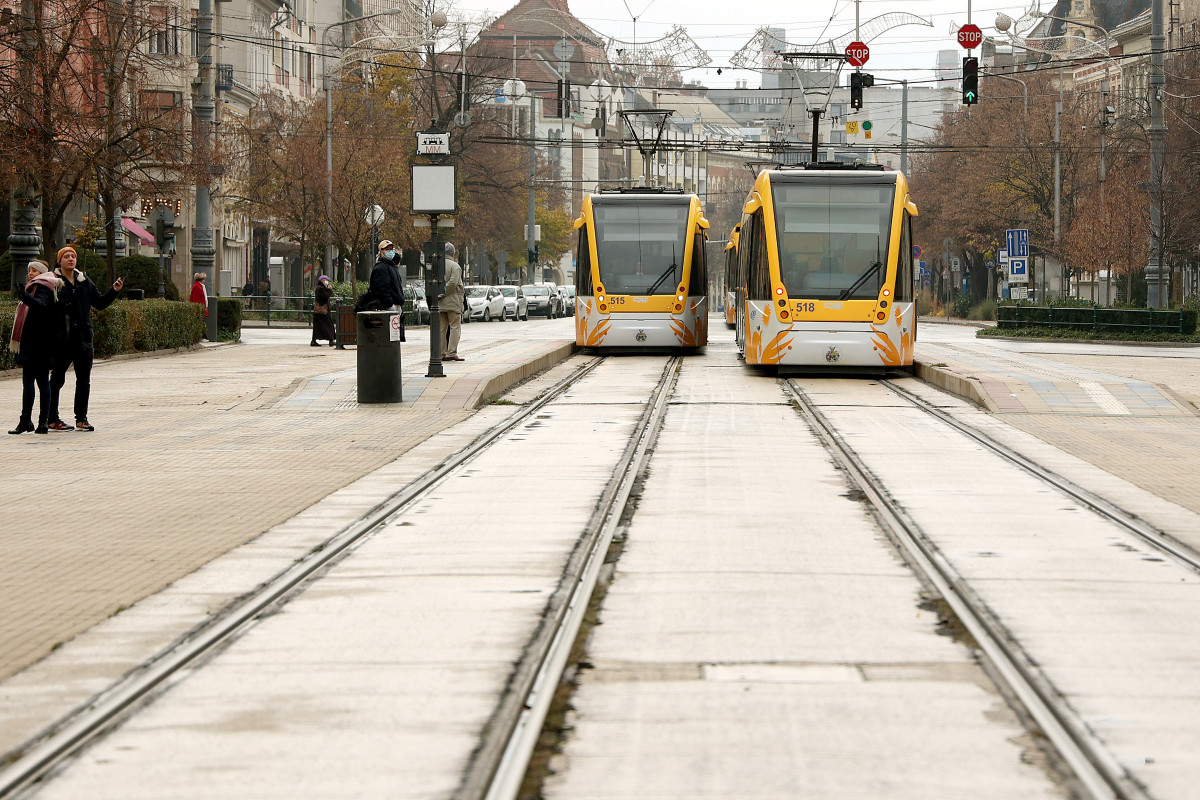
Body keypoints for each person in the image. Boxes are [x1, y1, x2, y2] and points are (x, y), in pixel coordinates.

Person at [47, 246, 123, 433]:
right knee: (56, 380)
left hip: (83, 339)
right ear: (60, 261)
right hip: (62, 340)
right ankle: (52, 418)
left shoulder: (83, 281)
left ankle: (81, 418)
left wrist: (114, 290)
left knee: (83, 380)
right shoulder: (54, 282)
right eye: (66, 256)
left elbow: (100, 303)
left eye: (73, 256)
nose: (71, 259)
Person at [9, 261, 63, 435]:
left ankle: (32, 421)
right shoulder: (41, 286)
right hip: (39, 341)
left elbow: (40, 306)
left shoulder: (43, 286)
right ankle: (36, 422)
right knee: (39, 382)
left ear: (41, 273)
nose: (31, 273)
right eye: (29, 270)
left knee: (32, 382)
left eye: (34, 270)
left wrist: (25, 297)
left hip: (38, 342)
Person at [439, 242, 465, 361]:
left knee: (442, 329)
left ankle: (441, 352)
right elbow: (454, 283)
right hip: (453, 301)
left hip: (440, 302)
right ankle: (452, 352)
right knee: (455, 326)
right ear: (453, 253)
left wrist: (439, 294)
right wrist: (444, 292)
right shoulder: (455, 266)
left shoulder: (437, 265)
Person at [369, 239, 405, 311]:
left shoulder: (392, 267)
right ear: (381, 251)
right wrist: (390, 305)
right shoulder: (381, 268)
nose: (390, 251)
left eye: (391, 249)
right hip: (387, 307)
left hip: (395, 305)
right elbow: (381, 289)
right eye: (387, 249)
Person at [311, 275, 336, 347]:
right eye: (325, 280)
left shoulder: (320, 288)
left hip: (320, 311)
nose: (327, 281)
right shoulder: (321, 288)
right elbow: (325, 296)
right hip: (322, 311)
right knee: (328, 325)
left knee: (318, 326)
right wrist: (329, 290)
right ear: (322, 280)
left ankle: (314, 340)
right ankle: (331, 340)